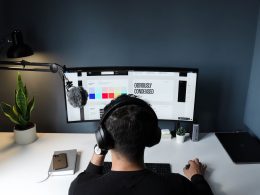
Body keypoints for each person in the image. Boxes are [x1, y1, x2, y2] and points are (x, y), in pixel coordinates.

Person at [69, 94, 214, 195]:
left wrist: (100, 148)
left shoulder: (80, 188)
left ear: (103, 139)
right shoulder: (176, 185)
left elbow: (88, 176)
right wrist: (197, 176)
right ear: (153, 137)